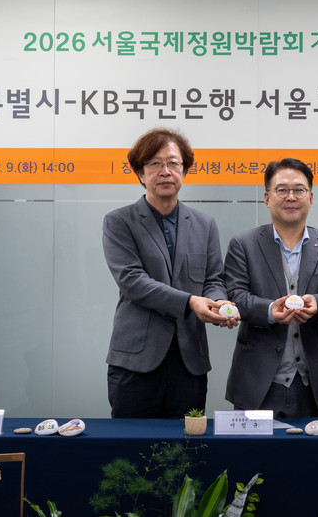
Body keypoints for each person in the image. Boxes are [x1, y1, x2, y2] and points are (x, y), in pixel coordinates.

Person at [102, 128, 238, 418]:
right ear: (140, 174)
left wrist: (219, 303)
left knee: (186, 442)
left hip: (189, 361)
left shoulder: (204, 224)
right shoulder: (119, 221)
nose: (165, 171)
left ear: (185, 171)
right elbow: (132, 281)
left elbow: (213, 279)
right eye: (154, 163)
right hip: (137, 361)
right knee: (131, 442)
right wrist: (191, 301)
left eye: (173, 163)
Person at [224, 158, 318, 418]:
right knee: (252, 446)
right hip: (257, 378)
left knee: (311, 445)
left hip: (312, 381)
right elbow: (235, 296)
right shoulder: (243, 244)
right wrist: (270, 310)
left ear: (311, 197)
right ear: (267, 198)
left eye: (299, 190)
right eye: (282, 189)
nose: (291, 197)